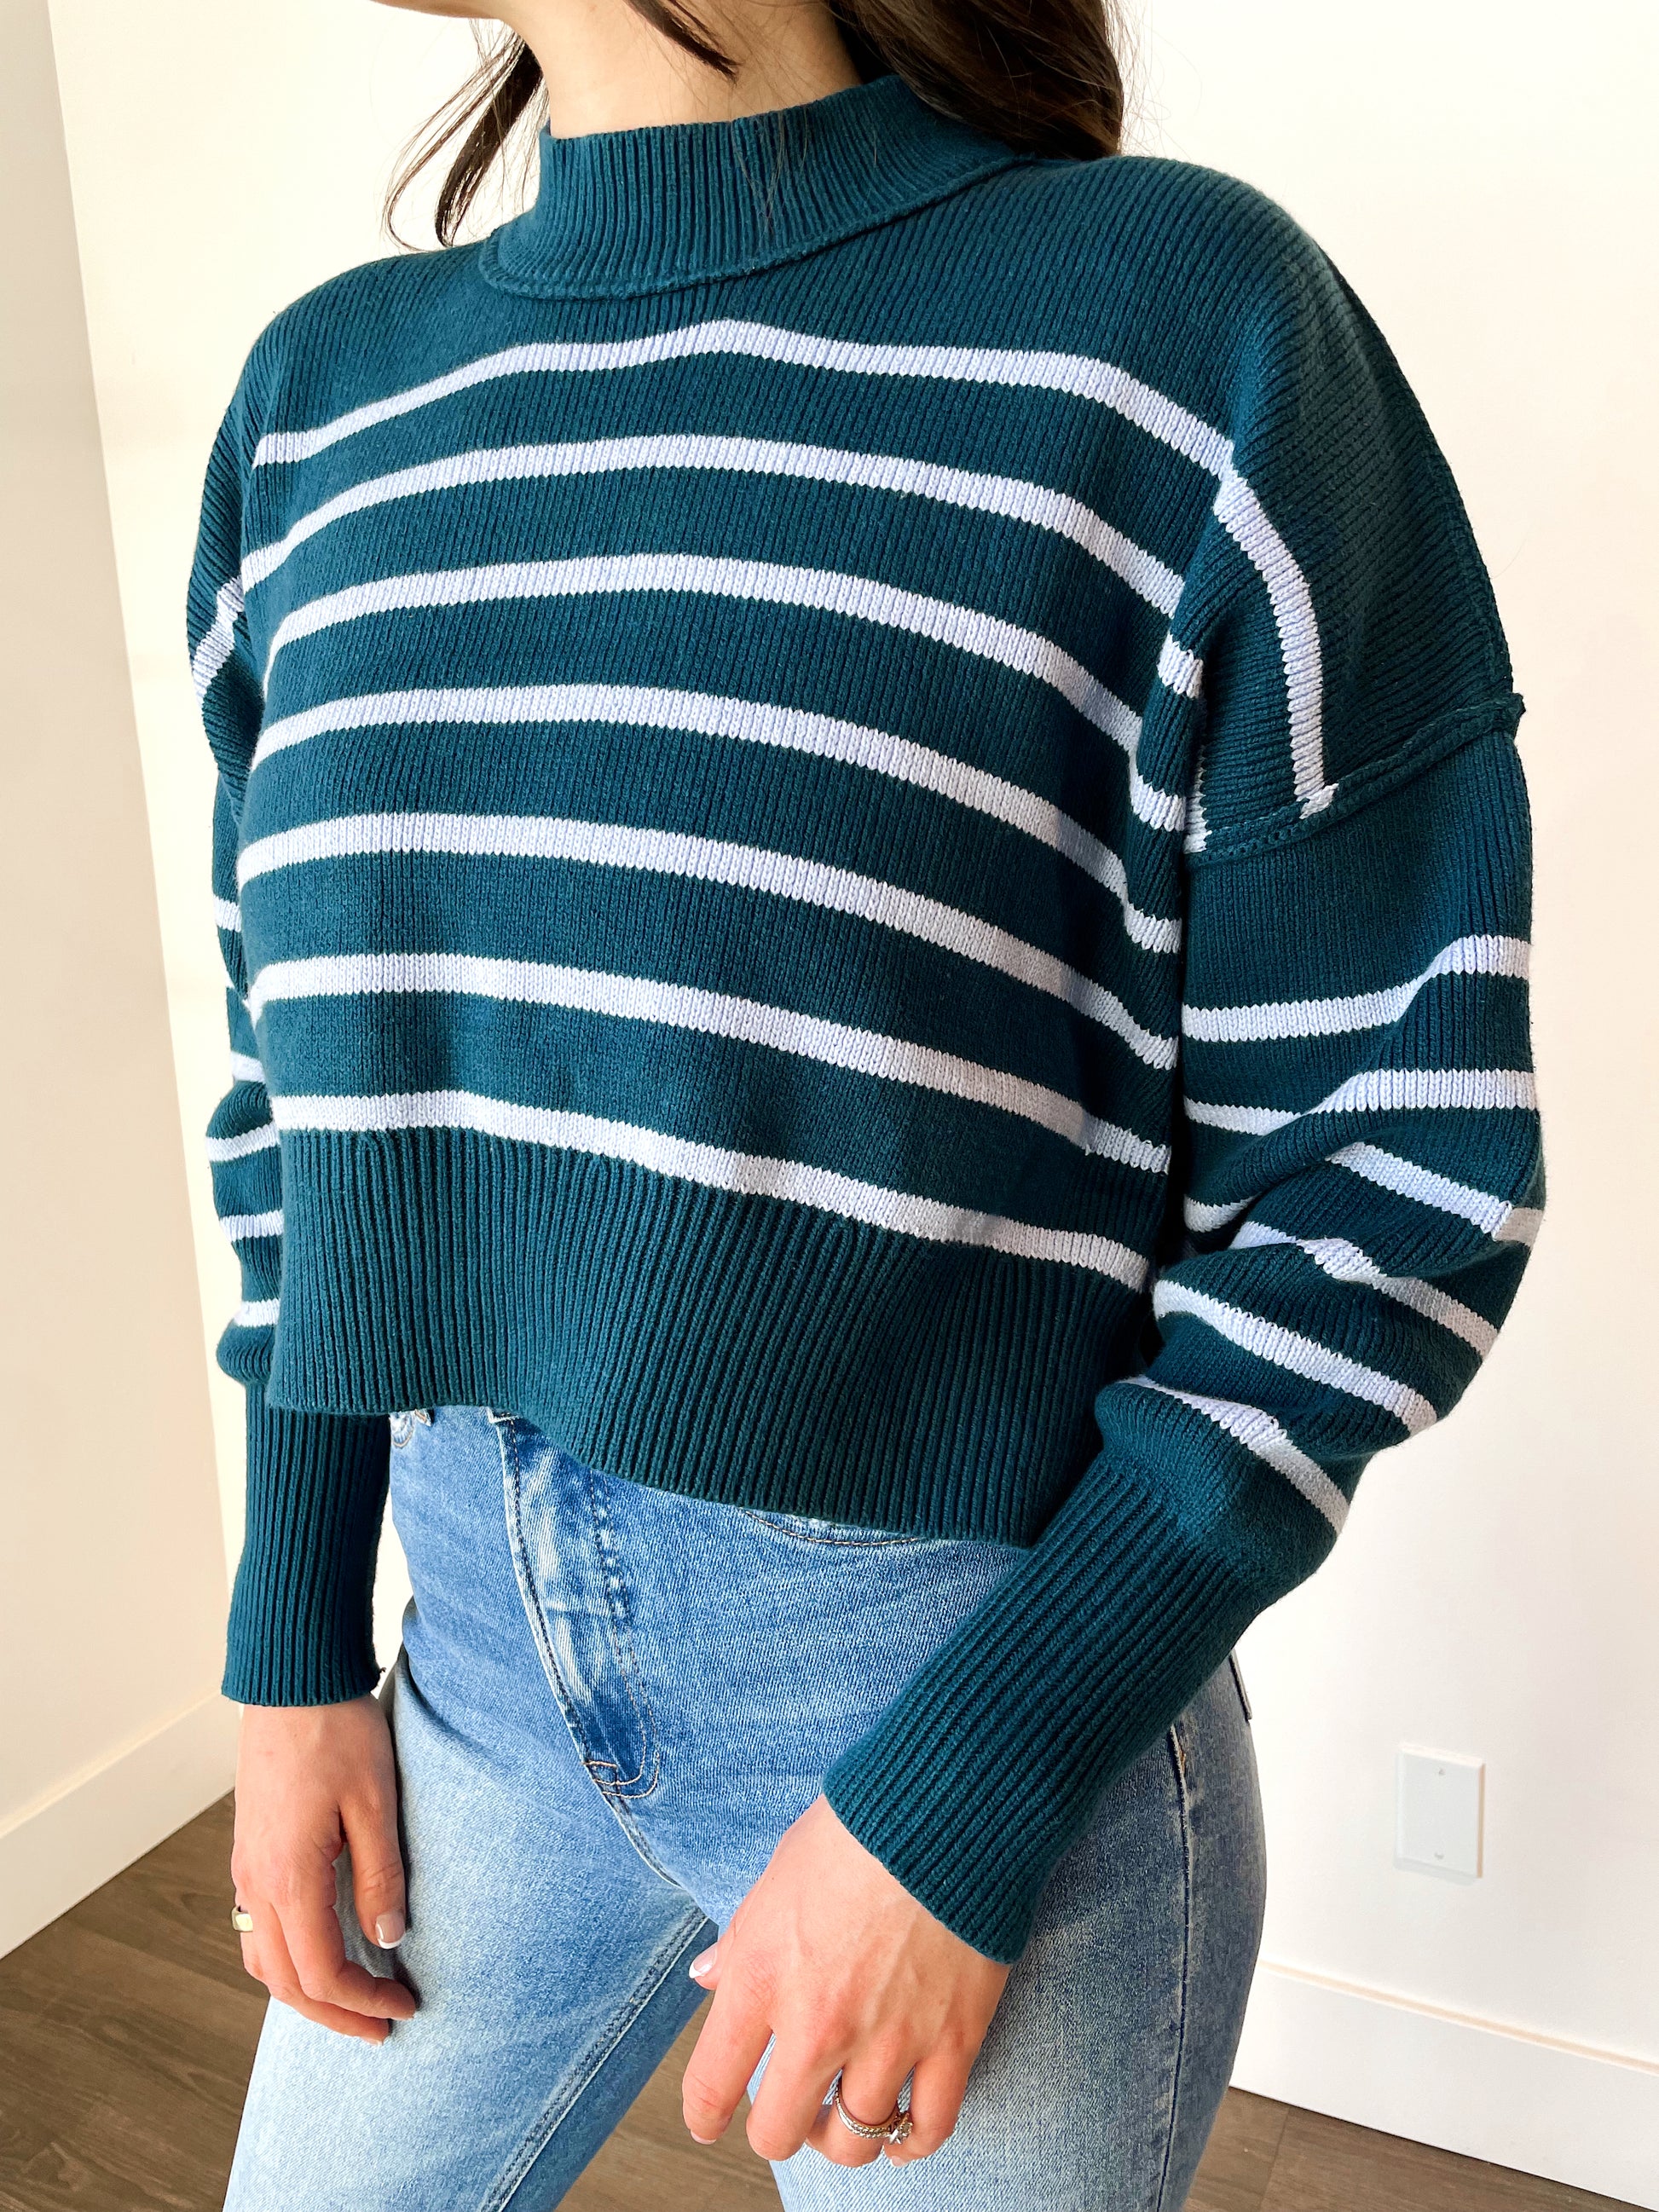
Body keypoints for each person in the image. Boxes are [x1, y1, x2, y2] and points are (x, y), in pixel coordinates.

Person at [198, 0, 1543, 2203]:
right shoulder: (321, 402)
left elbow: (1394, 1172)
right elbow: (301, 1109)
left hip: (952, 1684)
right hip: (465, 1673)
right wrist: (288, 1640)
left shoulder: (1178, 326)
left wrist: (965, 1789)